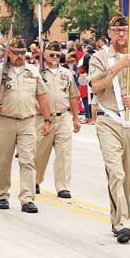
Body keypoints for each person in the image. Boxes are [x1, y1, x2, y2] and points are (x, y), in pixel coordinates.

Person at [88, 15, 130, 244]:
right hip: (109, 120)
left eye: (124, 30)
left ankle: (117, 215)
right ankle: (122, 223)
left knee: (128, 176)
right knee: (115, 172)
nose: (120, 34)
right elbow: (96, 86)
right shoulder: (99, 58)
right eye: (116, 29)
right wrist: (118, 66)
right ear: (109, 32)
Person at [0, 37, 52, 214]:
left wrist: (47, 119)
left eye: (23, 53)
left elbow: (42, 96)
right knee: (3, 160)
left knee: (28, 160)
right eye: (16, 53)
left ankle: (27, 198)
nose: (20, 56)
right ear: (8, 54)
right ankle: (2, 194)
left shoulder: (33, 71)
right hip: (5, 120)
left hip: (27, 121)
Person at [35, 41, 81, 198]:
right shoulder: (37, 73)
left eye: (57, 55)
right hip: (42, 118)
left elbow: (73, 96)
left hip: (63, 116)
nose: (54, 57)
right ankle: (35, 180)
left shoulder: (66, 73)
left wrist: (76, 118)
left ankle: (63, 186)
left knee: (64, 153)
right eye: (51, 54)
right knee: (40, 152)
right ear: (44, 55)